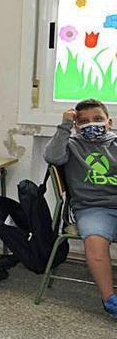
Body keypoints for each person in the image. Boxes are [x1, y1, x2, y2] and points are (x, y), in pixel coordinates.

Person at [44, 98, 117, 319]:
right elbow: (52, 156)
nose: (90, 124)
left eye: (97, 119)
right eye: (83, 121)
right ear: (76, 125)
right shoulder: (71, 144)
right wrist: (64, 126)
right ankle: (110, 300)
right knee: (94, 243)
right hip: (92, 207)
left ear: (109, 122)